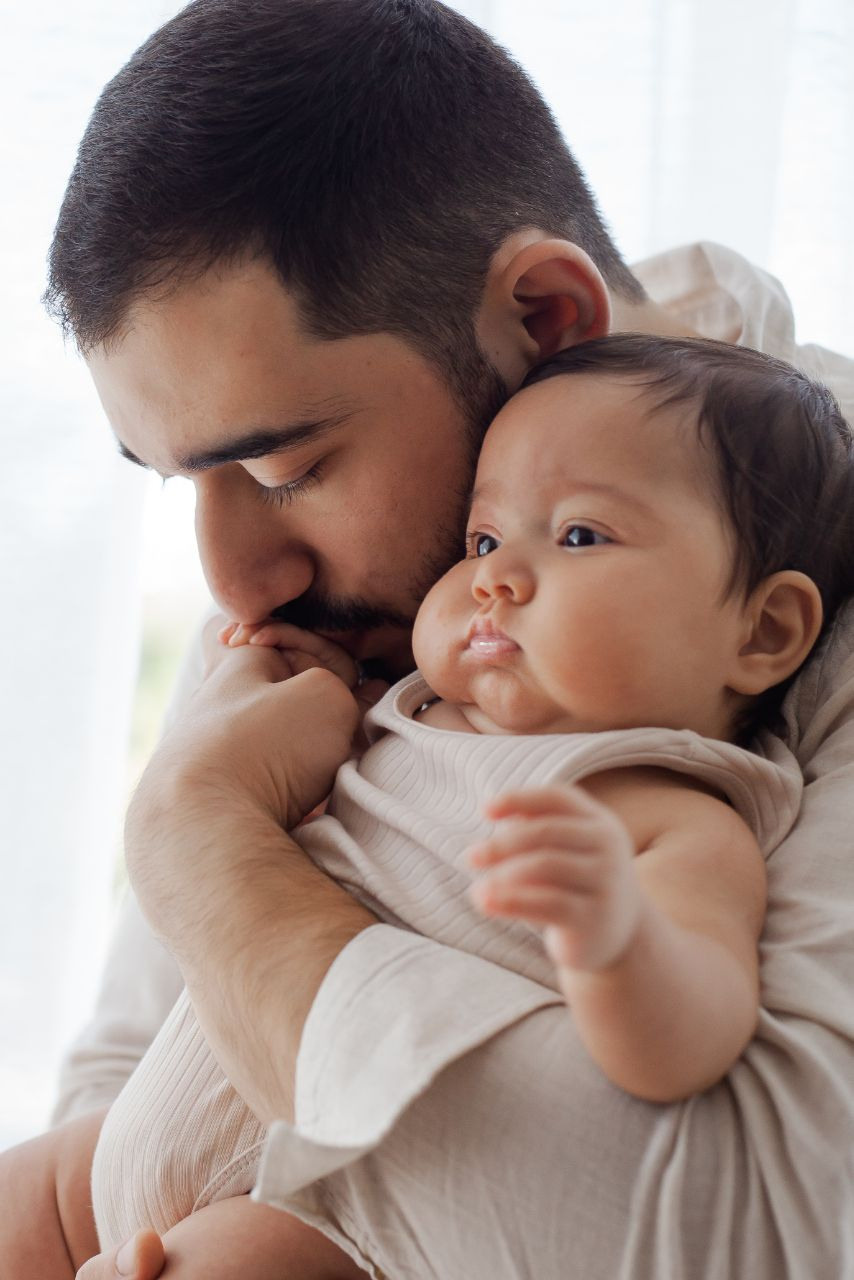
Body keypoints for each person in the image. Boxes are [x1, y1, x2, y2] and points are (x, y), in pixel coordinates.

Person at [1, 0, 852, 1277]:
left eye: (288, 468)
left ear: (545, 318)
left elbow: (741, 1233)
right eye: (180, 481)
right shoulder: (354, 602)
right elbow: (121, 1077)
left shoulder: (757, 612)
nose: (233, 582)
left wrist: (199, 841)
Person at [85, 335, 854, 1280]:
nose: (494, 578)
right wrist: (293, 694)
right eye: (483, 540)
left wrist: (619, 940)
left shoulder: (671, 814)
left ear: (764, 631)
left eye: (579, 536)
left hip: (322, 1214)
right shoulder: (402, 706)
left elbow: (692, 1042)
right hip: (141, 1135)